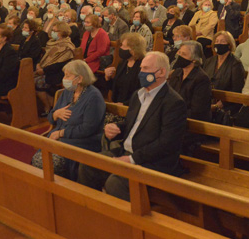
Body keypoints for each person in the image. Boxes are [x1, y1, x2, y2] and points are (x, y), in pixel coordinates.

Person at [77, 52, 187, 201]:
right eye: (141, 68)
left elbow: (167, 143)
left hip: (153, 162)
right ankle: (93, 208)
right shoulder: (138, 95)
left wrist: (133, 159)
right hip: (126, 151)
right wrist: (116, 128)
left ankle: (128, 221)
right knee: (88, 165)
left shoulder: (173, 102)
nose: (140, 73)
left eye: (145, 69)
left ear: (161, 72)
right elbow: (133, 124)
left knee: (115, 183)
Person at [33, 60, 106, 180]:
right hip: (59, 137)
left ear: (80, 78)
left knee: (44, 164)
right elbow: (51, 117)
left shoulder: (93, 97)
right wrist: (56, 114)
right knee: (38, 161)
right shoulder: (67, 92)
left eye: (67, 75)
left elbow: (87, 129)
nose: (64, 79)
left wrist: (62, 133)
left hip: (82, 142)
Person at [168, 41, 212, 151]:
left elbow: (198, 111)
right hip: (173, 120)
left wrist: (172, 115)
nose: (179, 56)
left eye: (183, 54)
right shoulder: (176, 73)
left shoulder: (201, 79)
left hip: (190, 125)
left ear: (194, 59)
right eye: (179, 53)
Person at [34, 21, 76, 113]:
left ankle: (48, 107)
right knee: (30, 79)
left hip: (58, 73)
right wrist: (38, 64)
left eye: (55, 31)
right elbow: (45, 57)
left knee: (37, 82)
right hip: (47, 70)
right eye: (52, 30)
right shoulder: (52, 43)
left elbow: (59, 65)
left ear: (62, 32)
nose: (52, 32)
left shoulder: (67, 46)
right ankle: (52, 105)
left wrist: (44, 70)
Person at [202, 31, 245, 116]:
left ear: (229, 45)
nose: (219, 44)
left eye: (222, 41)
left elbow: (236, 90)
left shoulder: (235, 63)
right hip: (208, 100)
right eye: (217, 41)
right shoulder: (209, 61)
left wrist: (218, 105)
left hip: (227, 105)